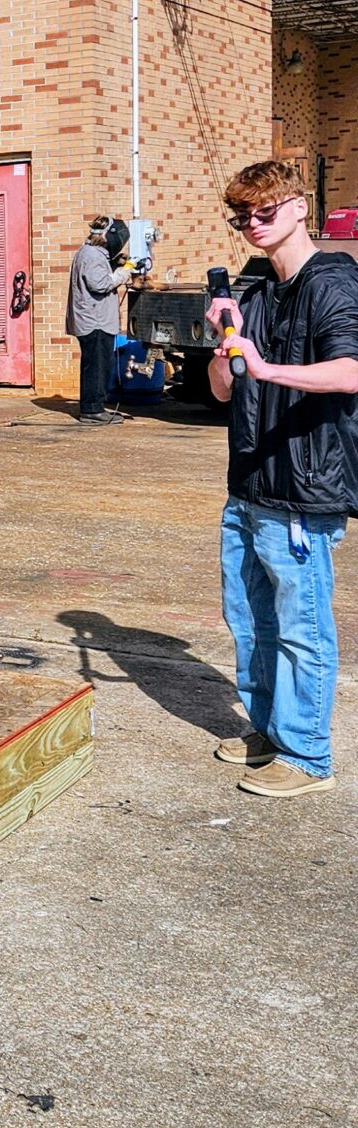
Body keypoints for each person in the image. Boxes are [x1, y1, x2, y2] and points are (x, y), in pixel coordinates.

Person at [205, 158, 358, 798]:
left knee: (302, 628)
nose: (253, 224)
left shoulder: (334, 282)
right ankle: (269, 729)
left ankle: (307, 755)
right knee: (249, 620)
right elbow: (224, 391)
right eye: (242, 216)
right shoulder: (255, 291)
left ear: (299, 207)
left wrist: (266, 369)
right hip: (248, 482)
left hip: (302, 485)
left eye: (264, 211)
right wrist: (224, 349)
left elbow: (349, 371)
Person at [67, 213, 128, 420]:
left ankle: (95, 406)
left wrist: (116, 264)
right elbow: (100, 284)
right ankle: (92, 409)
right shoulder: (92, 255)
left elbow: (98, 274)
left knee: (99, 365)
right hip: (95, 322)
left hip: (95, 320)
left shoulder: (93, 254)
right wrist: (125, 272)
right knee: (96, 367)